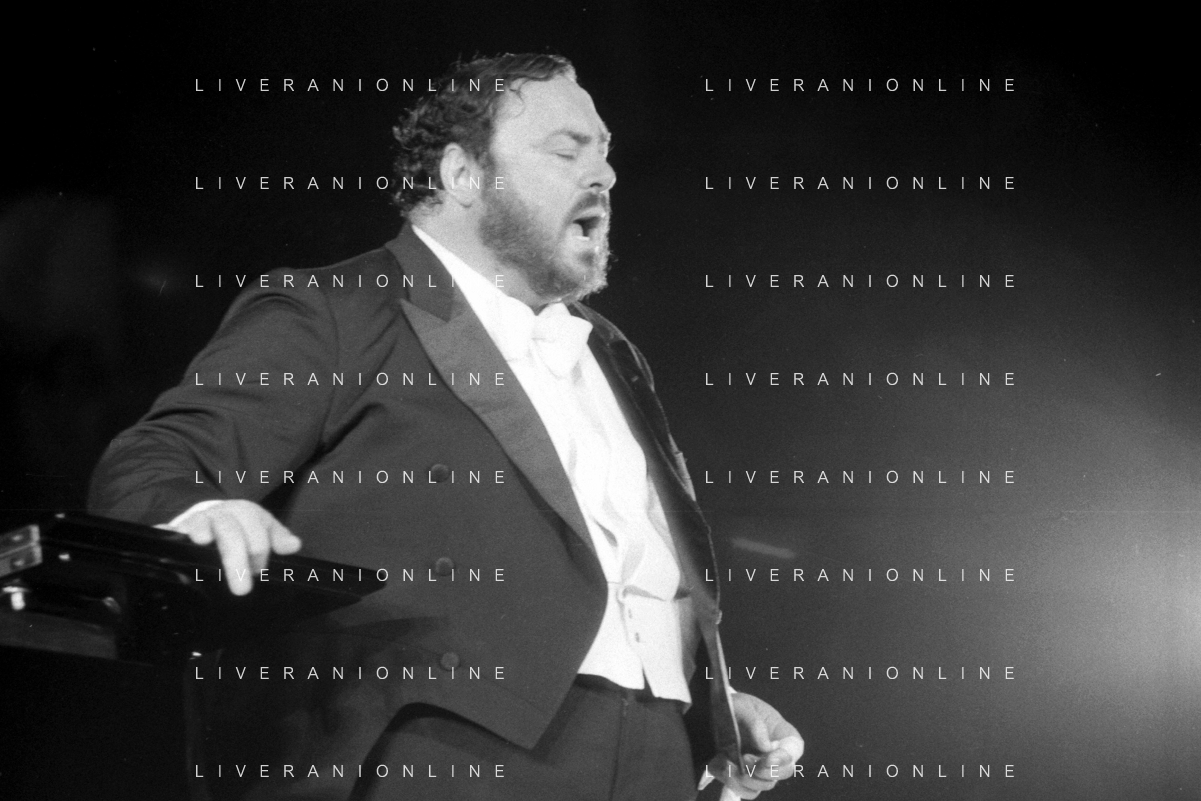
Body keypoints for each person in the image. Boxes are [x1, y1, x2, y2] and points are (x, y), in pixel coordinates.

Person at [89, 53, 802, 800]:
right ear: (462, 174)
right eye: (568, 151)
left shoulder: (613, 354)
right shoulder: (336, 310)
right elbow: (154, 458)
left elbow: (625, 575)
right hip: (436, 751)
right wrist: (200, 512)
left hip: (656, 762)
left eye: (604, 152)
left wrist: (700, 695)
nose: (604, 175)